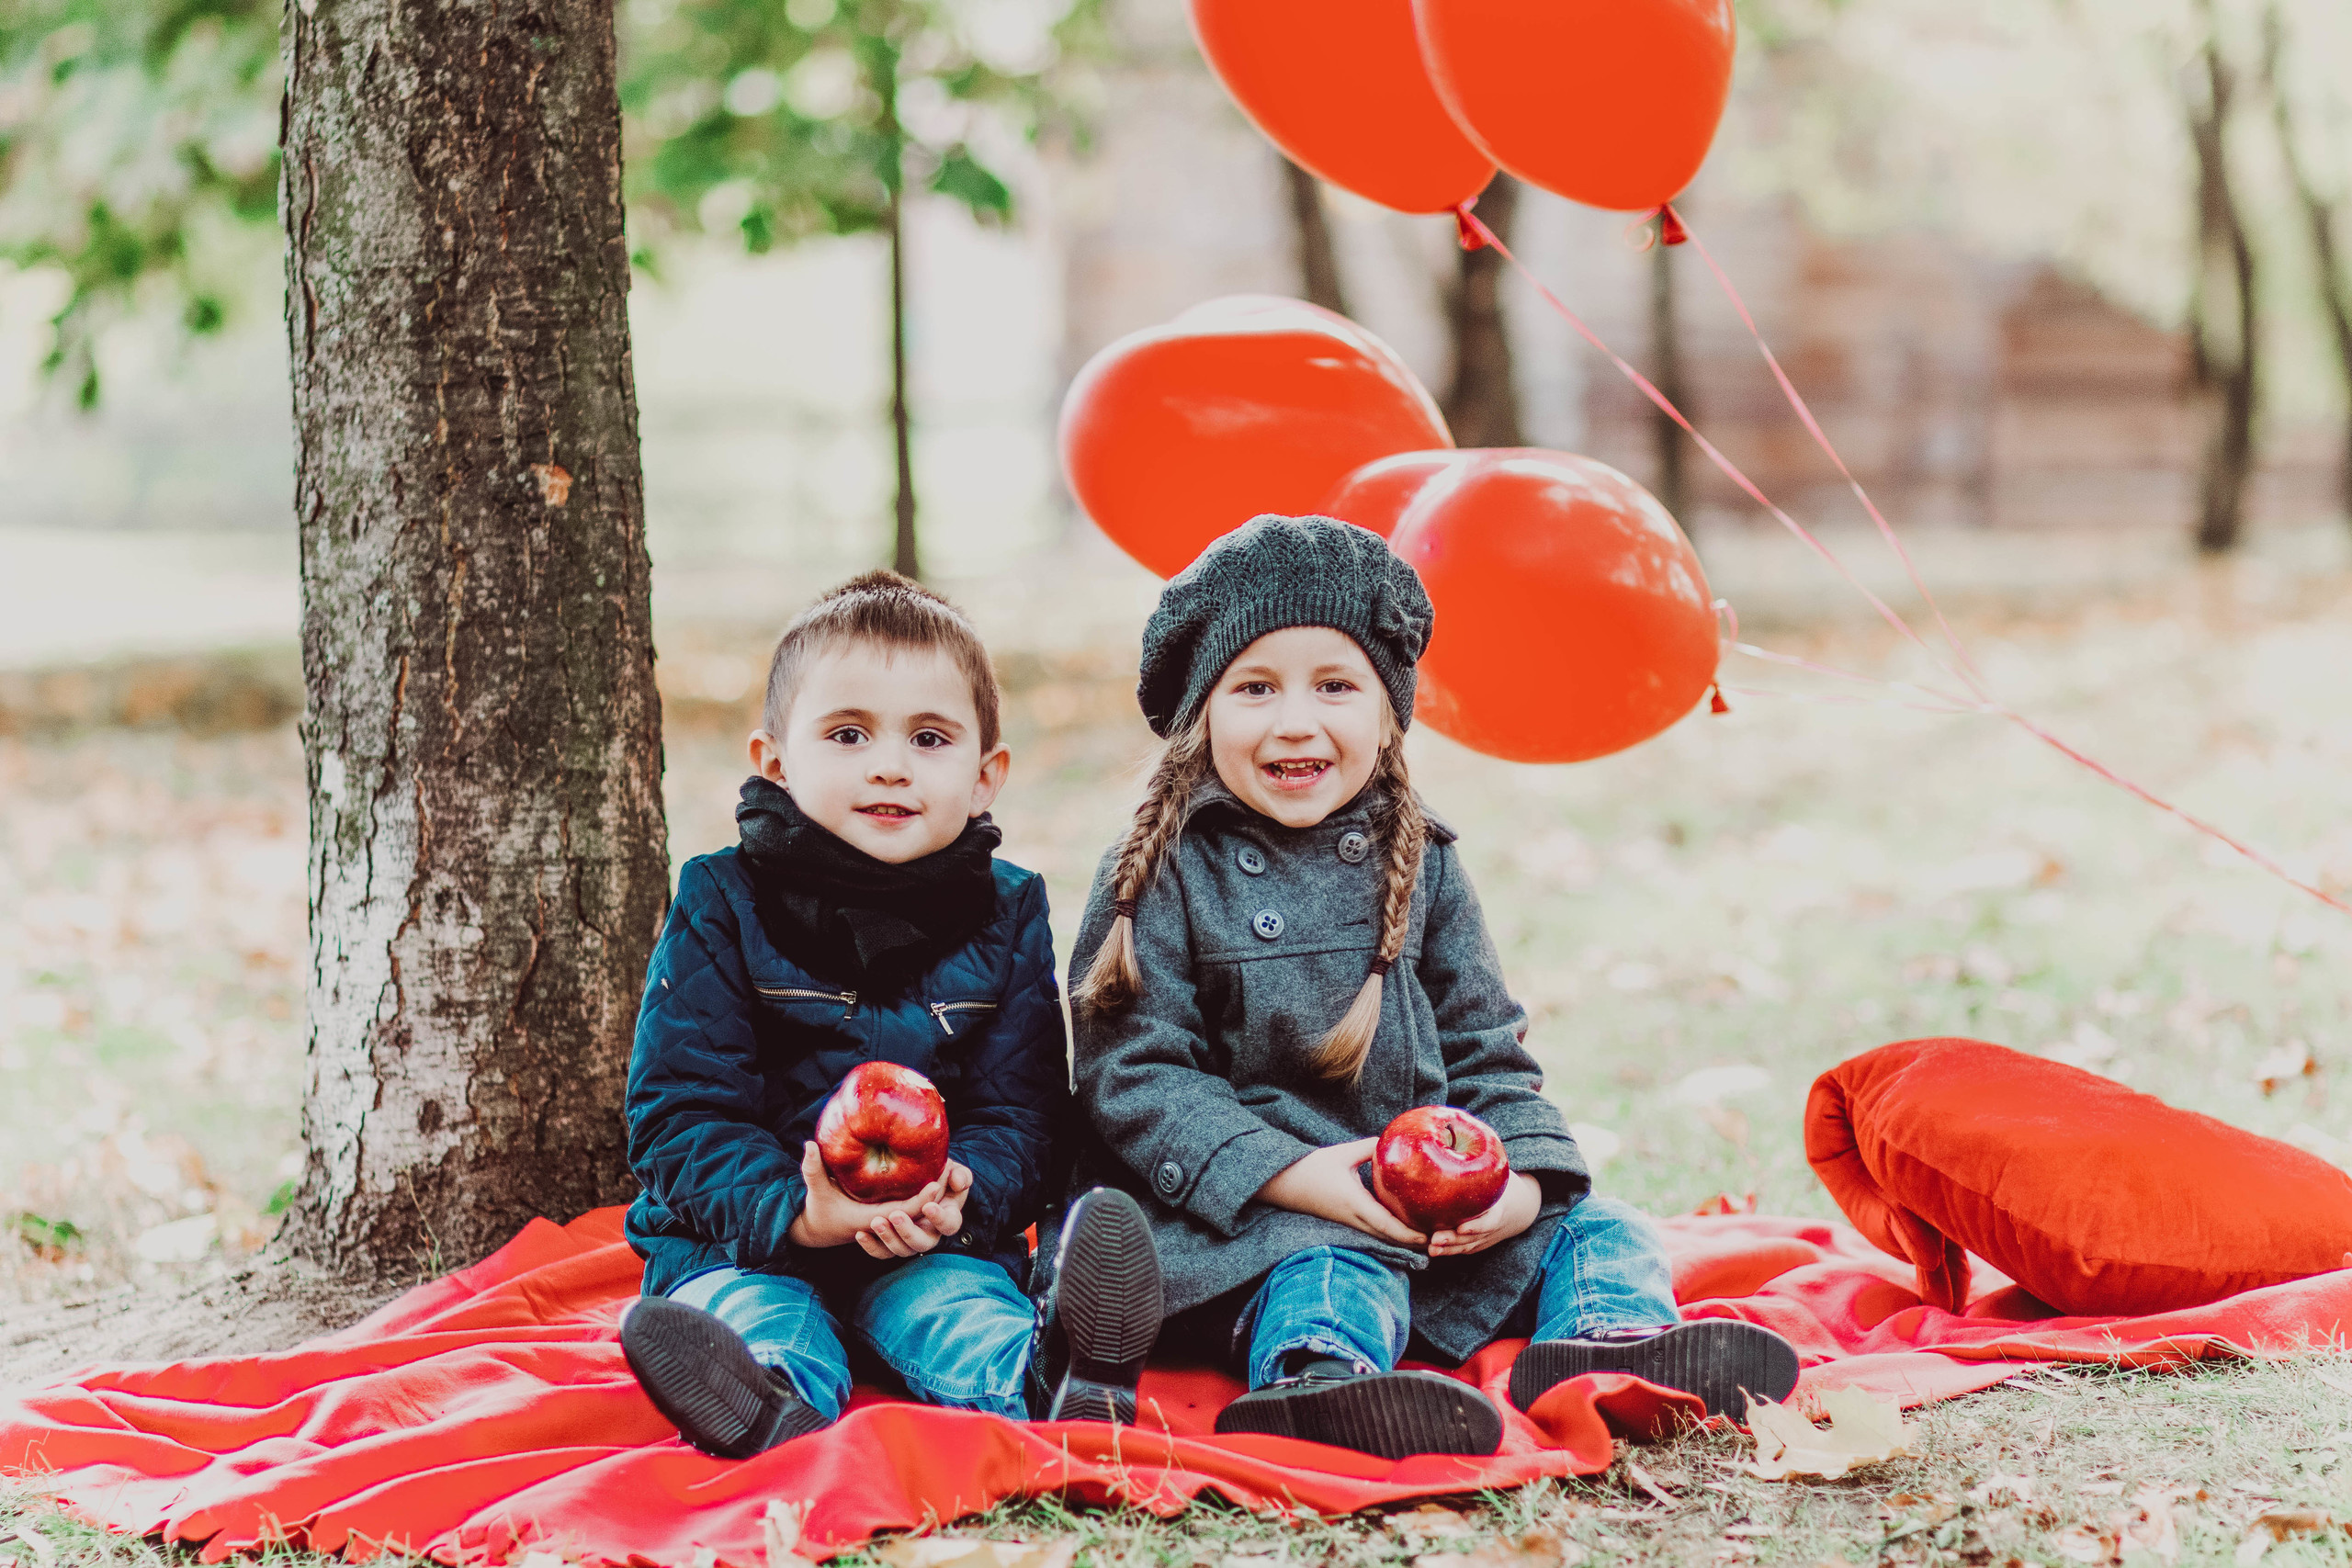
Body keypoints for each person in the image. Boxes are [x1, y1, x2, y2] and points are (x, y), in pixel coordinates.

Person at [1064, 515, 1800, 1461]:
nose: (1296, 720)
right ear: (1201, 712)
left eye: (1334, 685)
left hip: (1431, 1214)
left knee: (1603, 1223)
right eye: (1255, 688)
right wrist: (1302, 1177)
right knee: (1332, 1269)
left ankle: (1611, 1347)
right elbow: (1136, 1077)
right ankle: (1321, 1383)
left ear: (1387, 709)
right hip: (1253, 1222)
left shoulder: (1424, 867)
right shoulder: (1156, 872)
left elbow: (1489, 1049)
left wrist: (1521, 1190)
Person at [618, 571, 1162, 1458]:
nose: (890, 763)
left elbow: (1022, 1112)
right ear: (776, 763)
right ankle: (765, 1400)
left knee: (955, 1310)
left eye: (929, 737)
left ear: (987, 776)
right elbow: (679, 1111)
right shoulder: (721, 900)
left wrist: (961, 1197)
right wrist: (797, 1210)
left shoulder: (1008, 910)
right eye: (847, 733)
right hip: (747, 1237)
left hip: (924, 1238)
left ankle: (1057, 1374)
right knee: (761, 1314)